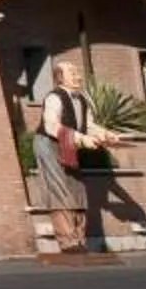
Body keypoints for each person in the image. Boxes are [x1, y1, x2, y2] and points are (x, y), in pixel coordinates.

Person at [34, 61, 123, 258]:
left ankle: (79, 239)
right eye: (72, 73)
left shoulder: (81, 99)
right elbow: (51, 126)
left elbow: (88, 125)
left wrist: (107, 134)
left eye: (77, 72)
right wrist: (81, 139)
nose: (78, 76)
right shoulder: (54, 98)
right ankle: (67, 242)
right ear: (60, 77)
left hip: (70, 144)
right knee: (59, 190)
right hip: (50, 145)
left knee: (77, 190)